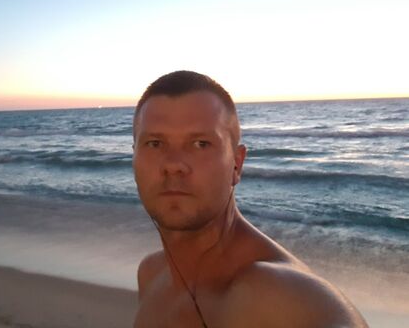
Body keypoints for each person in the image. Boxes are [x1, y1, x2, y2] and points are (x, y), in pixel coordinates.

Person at [132, 70, 368, 328]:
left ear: (237, 164)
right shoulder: (151, 274)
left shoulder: (279, 295)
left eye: (200, 144)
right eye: (155, 144)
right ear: (134, 158)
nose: (174, 164)